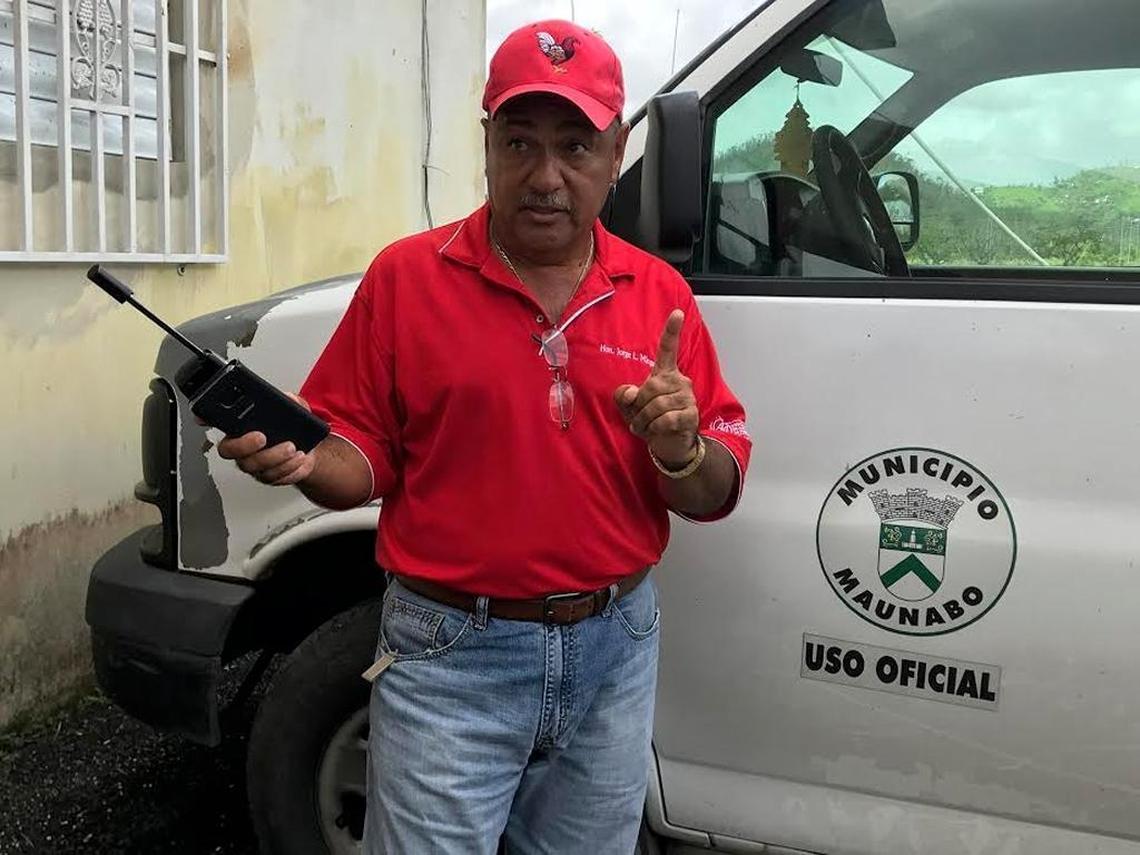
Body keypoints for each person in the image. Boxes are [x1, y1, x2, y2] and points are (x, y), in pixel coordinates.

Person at [218, 18, 751, 854]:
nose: (545, 177)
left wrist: (681, 450)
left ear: (615, 158)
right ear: (488, 145)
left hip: (615, 651)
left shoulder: (659, 295)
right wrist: (305, 462)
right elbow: (358, 459)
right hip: (449, 656)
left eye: (575, 147)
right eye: (520, 142)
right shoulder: (406, 279)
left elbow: (712, 490)